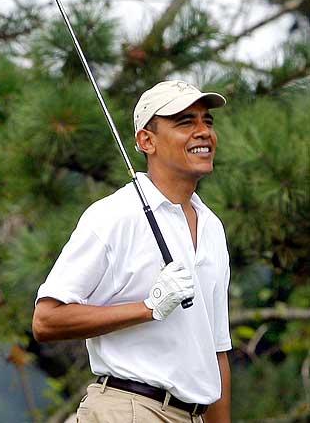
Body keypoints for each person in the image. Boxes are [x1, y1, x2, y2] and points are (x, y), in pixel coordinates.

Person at [33, 80, 232, 423]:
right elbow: (47, 319)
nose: (203, 132)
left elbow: (216, 353)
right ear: (146, 141)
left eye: (207, 121)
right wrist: (147, 307)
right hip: (128, 409)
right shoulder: (114, 215)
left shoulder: (212, 227)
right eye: (185, 122)